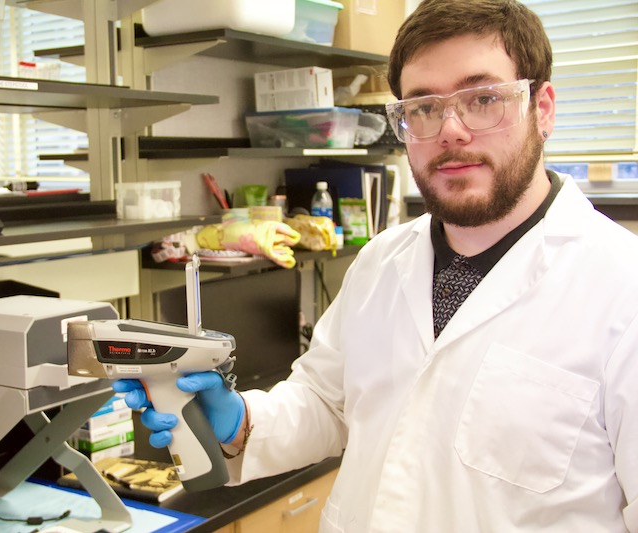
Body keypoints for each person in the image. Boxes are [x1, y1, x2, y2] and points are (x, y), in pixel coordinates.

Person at [114, 0, 638, 530]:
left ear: (542, 109)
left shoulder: (621, 288)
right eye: (424, 107)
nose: (450, 130)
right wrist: (239, 422)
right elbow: (327, 402)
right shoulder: (382, 260)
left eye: (482, 98)